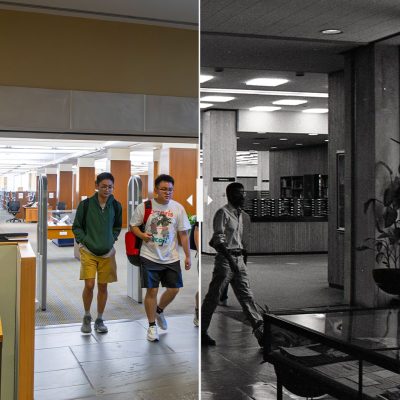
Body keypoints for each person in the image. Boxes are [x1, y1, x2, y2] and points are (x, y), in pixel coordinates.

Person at [201, 182, 264, 347]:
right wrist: (231, 262)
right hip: (225, 261)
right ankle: (202, 332)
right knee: (213, 298)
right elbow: (218, 240)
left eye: (243, 193)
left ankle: (261, 334)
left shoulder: (241, 214)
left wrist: (242, 261)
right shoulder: (223, 213)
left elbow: (241, 241)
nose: (243, 196)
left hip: (239, 259)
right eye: (239, 193)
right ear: (230, 195)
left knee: (247, 297)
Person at [130, 174, 191, 342]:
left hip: (171, 256)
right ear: (156, 189)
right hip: (149, 255)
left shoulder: (178, 208)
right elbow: (133, 225)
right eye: (163, 189)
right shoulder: (145, 207)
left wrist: (187, 255)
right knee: (152, 290)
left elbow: (183, 234)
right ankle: (151, 326)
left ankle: (159, 310)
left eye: (170, 189)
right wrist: (142, 235)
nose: (167, 192)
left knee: (174, 289)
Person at [72, 172, 122, 334]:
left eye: (110, 187)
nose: (107, 189)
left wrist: (112, 239)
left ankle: (99, 319)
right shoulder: (86, 205)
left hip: (107, 252)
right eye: (103, 186)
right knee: (89, 284)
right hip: (88, 251)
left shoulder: (116, 205)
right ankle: (87, 316)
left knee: (102, 286)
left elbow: (117, 226)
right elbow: (77, 227)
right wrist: (84, 240)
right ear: (96, 186)